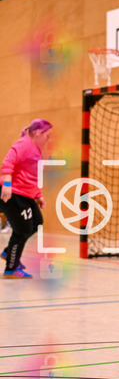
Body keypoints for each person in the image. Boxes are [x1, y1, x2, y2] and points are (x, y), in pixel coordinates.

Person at [1, 119, 52, 279]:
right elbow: (8, 162)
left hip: (26, 195)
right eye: (47, 135)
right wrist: (7, 185)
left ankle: (9, 252)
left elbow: (31, 176)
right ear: (37, 133)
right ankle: (11, 268)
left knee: (37, 222)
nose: (48, 139)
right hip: (14, 194)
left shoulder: (36, 149)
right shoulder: (24, 144)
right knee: (22, 230)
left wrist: (38, 195)